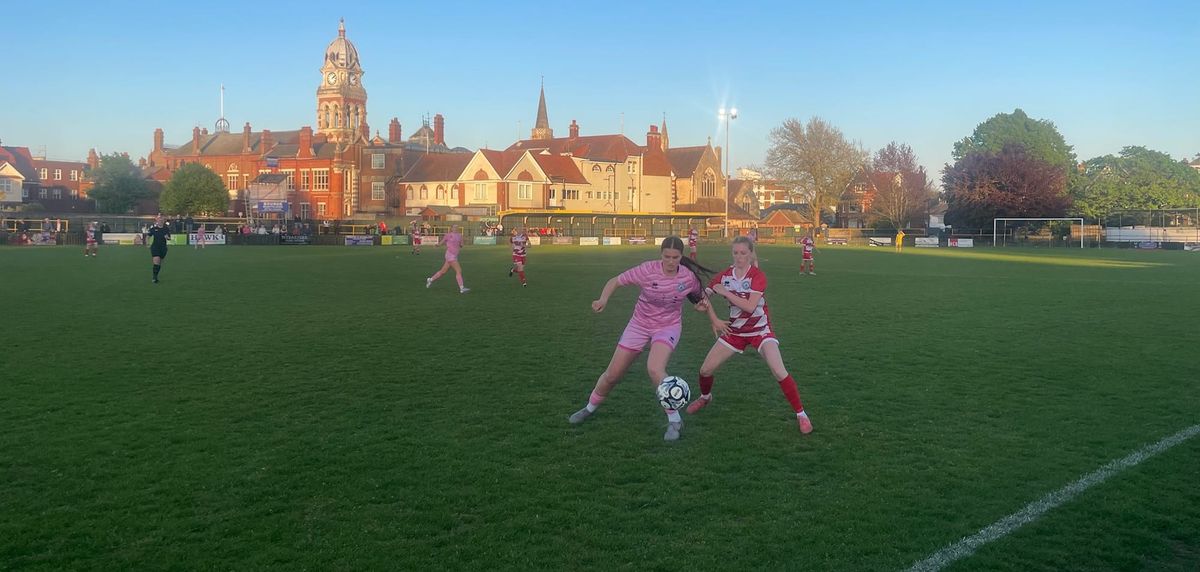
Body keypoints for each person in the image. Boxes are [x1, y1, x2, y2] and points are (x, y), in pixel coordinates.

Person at [567, 236, 714, 442]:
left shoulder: (687, 277)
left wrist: (701, 307)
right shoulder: (647, 270)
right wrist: (603, 299)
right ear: (660, 255)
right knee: (612, 375)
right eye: (667, 257)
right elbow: (615, 281)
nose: (671, 261)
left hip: (667, 327)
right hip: (639, 325)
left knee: (655, 369)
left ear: (682, 256)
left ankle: (674, 420)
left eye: (675, 257)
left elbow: (701, 298)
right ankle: (589, 408)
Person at [687, 236, 813, 434]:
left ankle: (801, 415)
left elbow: (750, 306)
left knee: (779, 371)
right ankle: (705, 397)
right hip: (734, 332)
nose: (739, 257)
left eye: (743, 253)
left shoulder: (757, 276)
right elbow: (702, 300)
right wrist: (706, 310)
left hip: (760, 331)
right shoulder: (724, 276)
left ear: (751, 254)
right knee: (705, 370)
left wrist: (726, 293)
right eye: (735, 253)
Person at [426, 224, 469, 293]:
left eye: (457, 227)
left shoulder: (460, 235)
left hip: (455, 255)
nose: (456, 228)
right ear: (451, 228)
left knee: (443, 271)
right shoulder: (448, 235)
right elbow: (441, 242)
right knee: (459, 270)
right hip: (450, 255)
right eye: (454, 227)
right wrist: (436, 245)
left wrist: (461, 243)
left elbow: (461, 245)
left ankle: (430, 280)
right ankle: (462, 288)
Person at [146, 215, 171, 284]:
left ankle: (156, 275)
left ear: (163, 221)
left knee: (159, 263)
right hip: (155, 247)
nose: (160, 221)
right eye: (159, 220)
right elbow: (148, 236)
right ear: (157, 221)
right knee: (156, 261)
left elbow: (169, 238)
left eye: (162, 220)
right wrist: (148, 243)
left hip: (163, 248)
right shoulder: (153, 229)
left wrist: (167, 237)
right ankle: (154, 277)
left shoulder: (166, 229)